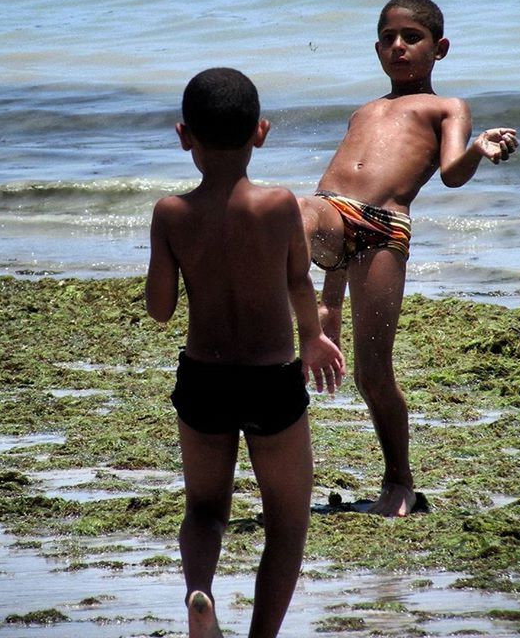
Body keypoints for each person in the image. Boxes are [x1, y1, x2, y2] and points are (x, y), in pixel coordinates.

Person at [299, 0, 519, 518]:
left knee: (373, 373)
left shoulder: (446, 107)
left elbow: (451, 174)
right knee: (293, 210)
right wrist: (328, 302)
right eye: (389, 39)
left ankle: (398, 481)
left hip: (383, 231)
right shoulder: (364, 110)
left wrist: (477, 150)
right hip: (332, 215)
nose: (399, 47)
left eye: (412, 38)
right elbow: (331, 193)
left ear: (439, 48)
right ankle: (291, 323)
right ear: (377, 48)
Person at [146, 67, 345, 638]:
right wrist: (313, 338)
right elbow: (300, 283)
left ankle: (200, 594)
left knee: (205, 509)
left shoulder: (170, 213)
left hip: (203, 379)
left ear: (185, 136)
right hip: (270, 380)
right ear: (261, 132)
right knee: (287, 523)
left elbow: (161, 309)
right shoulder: (280, 205)